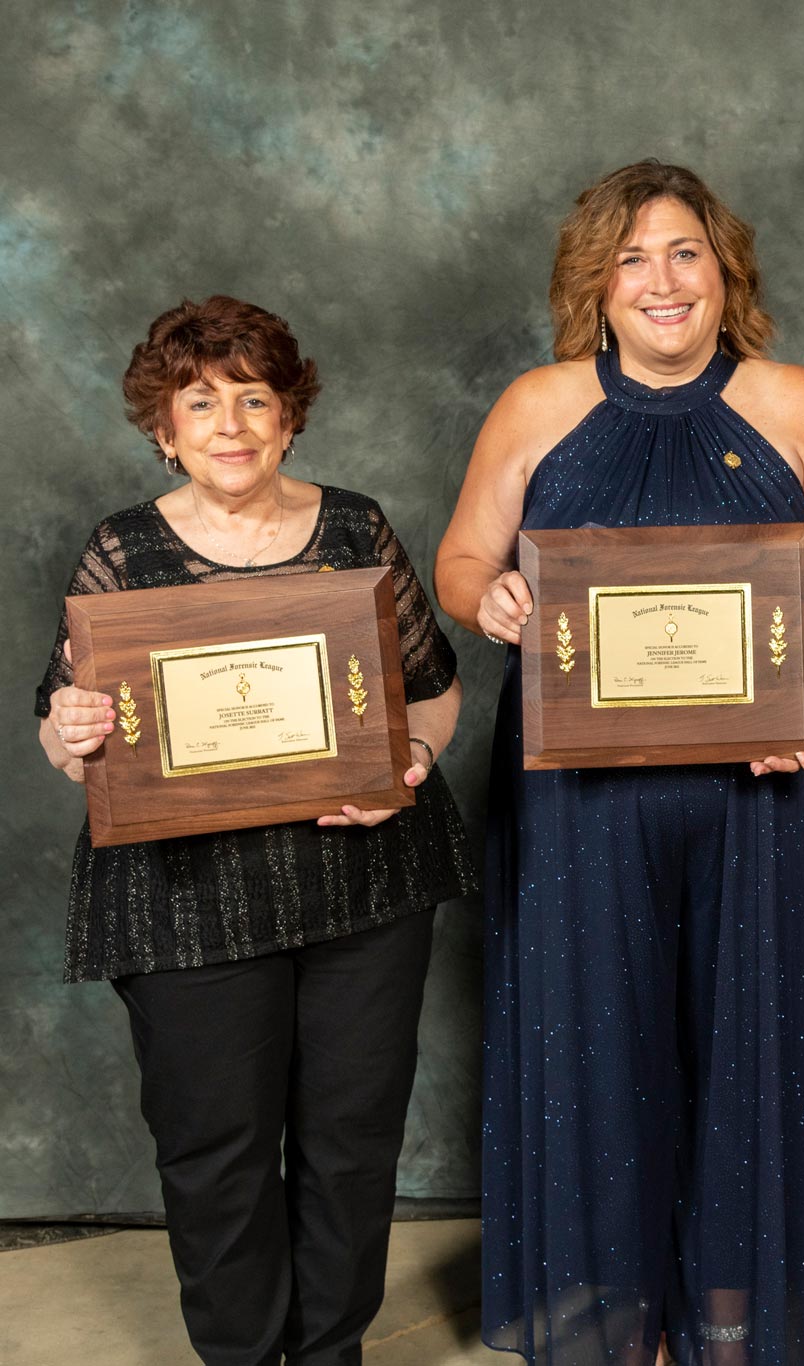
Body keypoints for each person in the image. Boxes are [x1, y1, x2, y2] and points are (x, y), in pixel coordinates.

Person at [435, 160, 804, 1366]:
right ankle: (616, 1321)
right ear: (593, 282)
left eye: (684, 251)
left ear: (722, 268)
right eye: (630, 258)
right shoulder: (536, 407)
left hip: (770, 786)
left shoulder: (792, 401)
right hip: (580, 797)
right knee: (598, 1042)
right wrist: (491, 601)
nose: (661, 280)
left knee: (756, 1042)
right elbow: (460, 564)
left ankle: (734, 1319)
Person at [34, 295, 473, 1366]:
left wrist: (407, 767)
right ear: (163, 426)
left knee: (352, 1146)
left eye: (253, 397)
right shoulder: (122, 550)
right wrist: (69, 727)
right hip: (186, 898)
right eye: (201, 401)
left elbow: (433, 692)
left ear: (288, 416)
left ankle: (329, 1354)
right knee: (215, 1151)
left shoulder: (353, 528)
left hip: (361, 883)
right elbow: (69, 727)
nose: (229, 423)